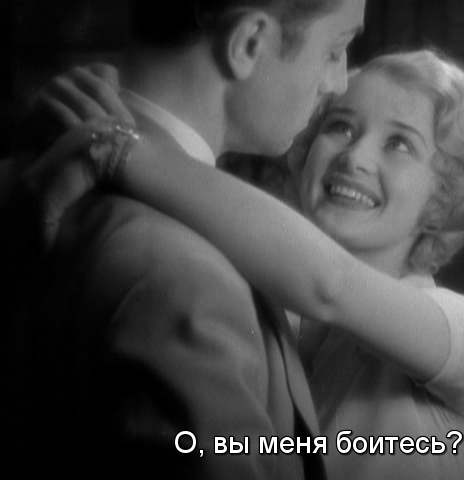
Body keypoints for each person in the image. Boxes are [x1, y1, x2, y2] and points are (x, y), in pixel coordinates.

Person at [23, 48, 464, 479]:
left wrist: (117, 144)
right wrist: (109, 108)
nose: (355, 157)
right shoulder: (254, 297)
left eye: (399, 144)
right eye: (340, 126)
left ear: (441, 198)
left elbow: (329, 285)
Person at [4, 1, 366, 479]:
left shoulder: (27, 164)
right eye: (335, 50)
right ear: (249, 43)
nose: (338, 82)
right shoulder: (191, 281)